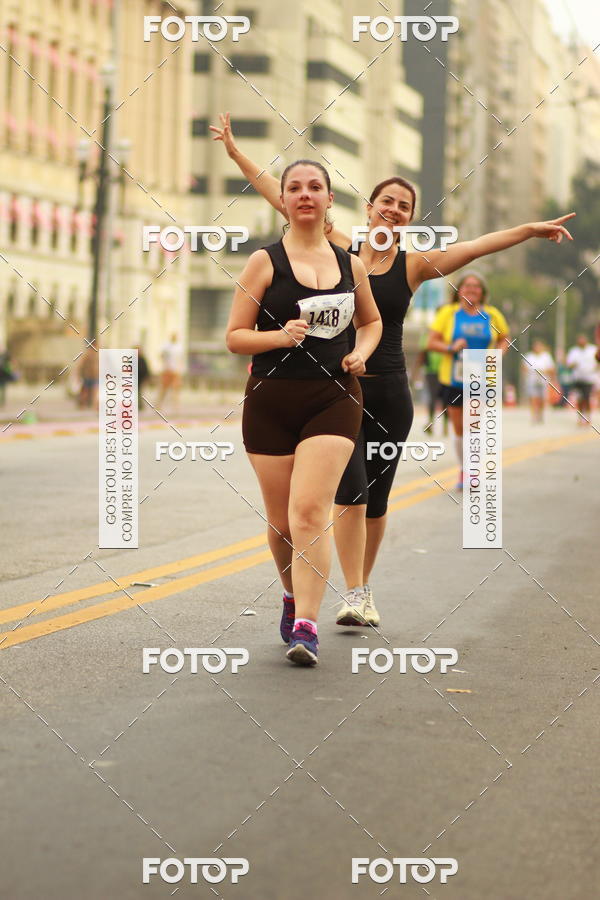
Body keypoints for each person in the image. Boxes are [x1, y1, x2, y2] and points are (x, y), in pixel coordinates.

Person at [212, 111, 575, 627]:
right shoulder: (342, 249)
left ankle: (360, 592)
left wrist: (527, 231)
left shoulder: (413, 264)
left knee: (375, 499)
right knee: (348, 492)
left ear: (409, 218)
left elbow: (475, 246)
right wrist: (234, 152)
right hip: (339, 391)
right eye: (388, 202)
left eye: (404, 207)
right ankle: (327, 598)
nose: (395, 211)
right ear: (370, 206)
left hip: (390, 396)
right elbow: (284, 194)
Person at [225, 159, 382, 665]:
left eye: (315, 187)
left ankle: (307, 628)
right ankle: (292, 596)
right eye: (294, 188)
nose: (305, 195)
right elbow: (234, 337)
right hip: (270, 401)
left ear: (330, 199)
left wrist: (361, 352)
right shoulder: (264, 263)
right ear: (285, 201)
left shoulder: (350, 264)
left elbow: (372, 321)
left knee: (311, 511)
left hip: (333, 397)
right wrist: (279, 336)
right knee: (282, 521)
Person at [413, 331, 447, 435]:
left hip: (446, 370)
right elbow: (422, 353)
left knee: (446, 398)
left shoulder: (447, 333)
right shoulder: (427, 335)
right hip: (431, 371)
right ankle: (431, 424)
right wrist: (416, 372)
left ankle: (445, 427)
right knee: (433, 397)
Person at [566, 334, 598, 425]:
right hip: (577, 379)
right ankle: (580, 418)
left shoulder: (593, 350)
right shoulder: (573, 351)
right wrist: (573, 365)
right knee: (579, 399)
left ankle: (588, 417)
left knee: (587, 398)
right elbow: (569, 365)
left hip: (589, 379)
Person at [522, 339, 556, 423]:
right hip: (532, 380)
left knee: (542, 399)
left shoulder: (546, 356)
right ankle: (534, 416)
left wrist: (544, 372)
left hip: (543, 381)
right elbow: (524, 367)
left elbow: (552, 369)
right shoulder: (529, 356)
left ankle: (540, 415)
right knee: (533, 398)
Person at [157, 332, 184, 413]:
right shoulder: (166, 346)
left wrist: (180, 369)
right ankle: (159, 404)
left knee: (176, 389)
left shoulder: (179, 347)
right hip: (167, 370)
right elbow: (161, 355)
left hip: (175, 371)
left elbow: (180, 359)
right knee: (164, 389)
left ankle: (176, 406)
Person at [77, 344, 99, 410]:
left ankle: (93, 405)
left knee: (93, 391)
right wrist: (79, 375)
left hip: (94, 376)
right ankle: (83, 404)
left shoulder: (96, 355)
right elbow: (80, 366)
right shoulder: (87, 355)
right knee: (86, 391)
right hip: (88, 376)